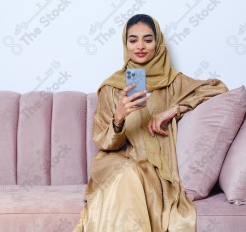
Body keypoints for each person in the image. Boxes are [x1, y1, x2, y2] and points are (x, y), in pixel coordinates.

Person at [73, 14, 227, 231]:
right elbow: (102, 142)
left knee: (136, 174)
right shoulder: (112, 87)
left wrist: (175, 109)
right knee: (128, 174)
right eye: (133, 40)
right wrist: (119, 117)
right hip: (114, 161)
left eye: (148, 39)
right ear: (125, 44)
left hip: (153, 164)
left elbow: (218, 89)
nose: (140, 46)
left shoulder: (173, 82)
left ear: (158, 42)